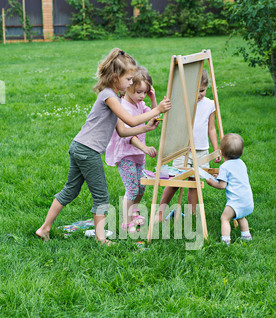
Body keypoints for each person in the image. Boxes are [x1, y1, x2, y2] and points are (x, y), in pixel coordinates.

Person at [35, 49, 171, 244]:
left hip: (79, 147)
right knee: (101, 196)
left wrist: (147, 128)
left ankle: (44, 228)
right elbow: (130, 120)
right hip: (87, 151)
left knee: (70, 190)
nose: (131, 83)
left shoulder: (111, 96)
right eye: (129, 79)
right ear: (116, 78)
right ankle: (101, 239)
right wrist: (157, 110)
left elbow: (123, 131)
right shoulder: (110, 97)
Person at [155, 69, 219, 222]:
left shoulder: (210, 104)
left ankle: (192, 214)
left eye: (202, 91)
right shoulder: (183, 102)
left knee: (194, 183)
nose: (198, 95)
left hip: (202, 151)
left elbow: (211, 128)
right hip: (183, 149)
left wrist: (216, 149)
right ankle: (160, 212)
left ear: (207, 88)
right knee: (175, 180)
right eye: (195, 91)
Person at [106, 66, 158, 233]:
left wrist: (153, 99)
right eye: (138, 92)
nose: (141, 96)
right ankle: (126, 222)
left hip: (137, 155)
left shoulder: (140, 103)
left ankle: (134, 212)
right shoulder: (124, 107)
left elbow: (153, 116)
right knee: (132, 188)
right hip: (126, 154)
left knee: (141, 186)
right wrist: (145, 148)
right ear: (127, 88)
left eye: (145, 92)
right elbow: (128, 136)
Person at [206, 133, 254, 245]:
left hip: (235, 201)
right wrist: (220, 177)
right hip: (247, 200)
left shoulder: (224, 167)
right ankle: (246, 236)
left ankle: (225, 242)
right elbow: (234, 176)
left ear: (221, 152)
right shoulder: (242, 163)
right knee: (241, 216)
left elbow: (222, 186)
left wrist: (212, 182)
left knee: (224, 218)